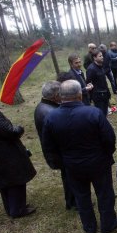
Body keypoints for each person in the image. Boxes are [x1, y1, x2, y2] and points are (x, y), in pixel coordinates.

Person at [42, 80, 117, 233]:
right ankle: (108, 224)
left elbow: (49, 147)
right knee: (104, 193)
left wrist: (63, 162)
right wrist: (106, 154)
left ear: (61, 96)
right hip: (97, 162)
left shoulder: (51, 118)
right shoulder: (93, 112)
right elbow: (108, 138)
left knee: (81, 196)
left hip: (72, 165)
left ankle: (90, 227)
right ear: (80, 95)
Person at [34, 81, 77, 210]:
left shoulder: (44, 106)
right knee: (70, 177)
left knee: (68, 176)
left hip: (57, 151)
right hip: (60, 153)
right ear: (55, 96)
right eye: (61, 93)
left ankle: (71, 201)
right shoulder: (49, 112)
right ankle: (74, 202)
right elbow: (61, 134)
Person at [0, 103, 37, 218]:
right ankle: (18, 210)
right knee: (16, 181)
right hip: (5, 155)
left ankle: (11, 208)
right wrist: (19, 128)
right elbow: (11, 132)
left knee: (5, 183)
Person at [86, 50, 111, 116]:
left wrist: (108, 93)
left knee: (105, 113)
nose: (102, 57)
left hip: (105, 94)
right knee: (100, 114)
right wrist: (91, 96)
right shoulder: (91, 69)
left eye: (102, 55)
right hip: (98, 96)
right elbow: (88, 83)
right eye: (100, 56)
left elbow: (103, 81)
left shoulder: (101, 66)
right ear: (94, 58)